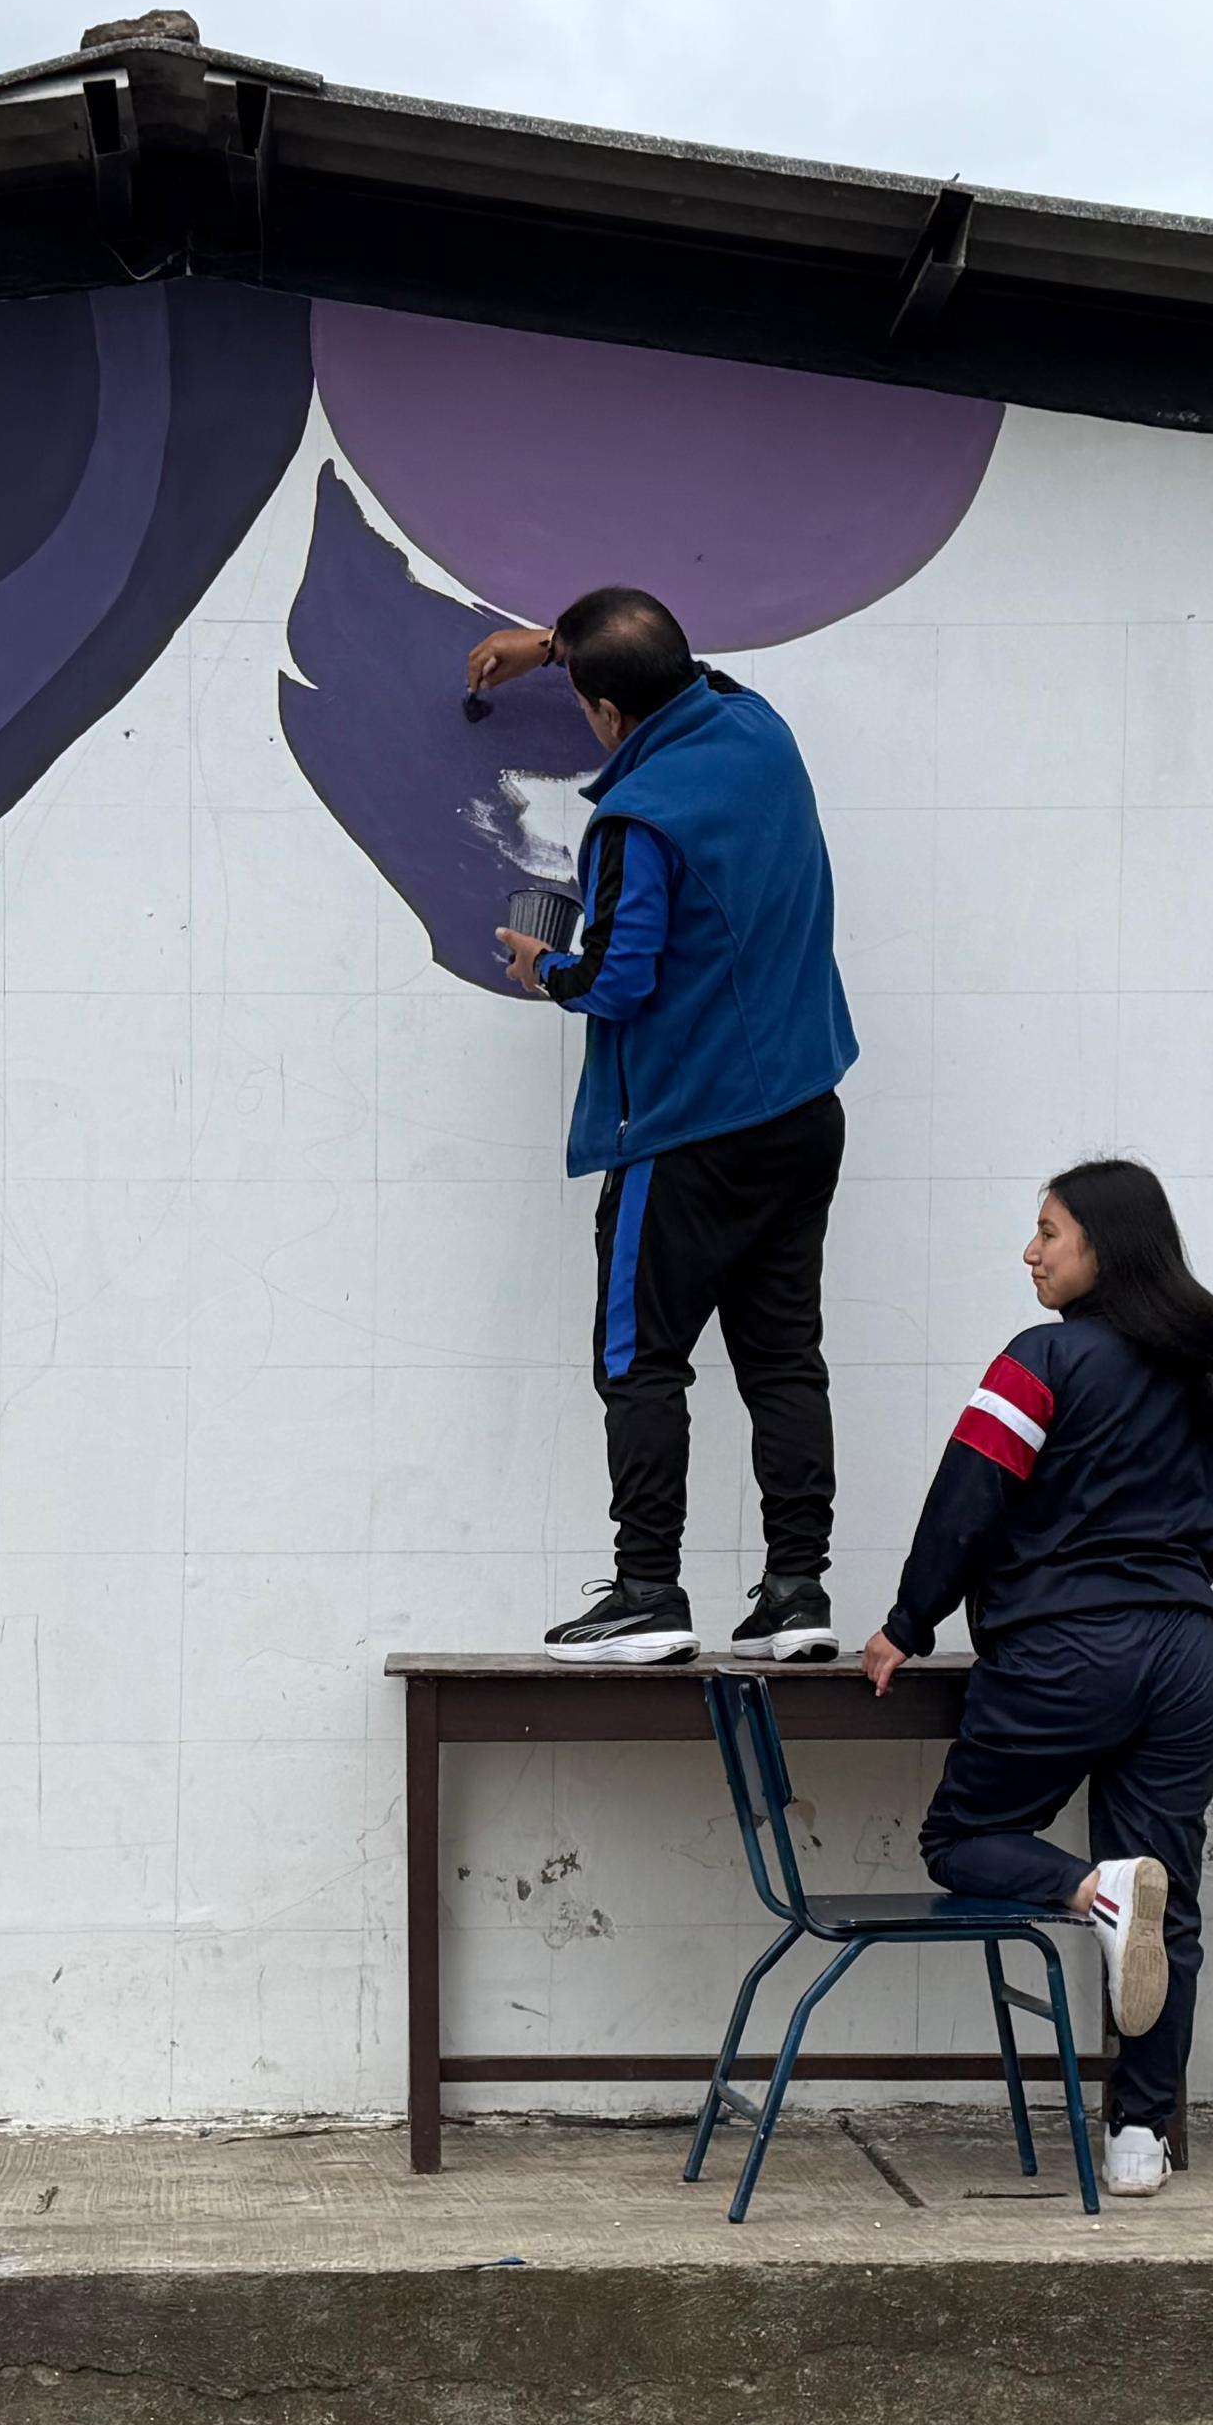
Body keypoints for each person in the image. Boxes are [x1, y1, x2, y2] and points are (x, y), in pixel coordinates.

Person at [858, 1160, 1213, 2200]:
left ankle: (1091, 1891)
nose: (1031, 1252)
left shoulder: (1038, 1361)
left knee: (959, 1839)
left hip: (1060, 1652)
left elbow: (968, 1497)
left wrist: (907, 1622)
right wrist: (1167, 1572)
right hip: (1183, 1658)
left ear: (1103, 1245)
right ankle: (1140, 2138)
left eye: (1049, 1232)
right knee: (1169, 1904)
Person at [466, 590, 857, 1667]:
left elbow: (617, 979)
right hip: (802, 1112)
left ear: (604, 711)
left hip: (686, 1131)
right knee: (783, 1360)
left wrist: (542, 966)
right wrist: (554, 647)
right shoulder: (760, 730)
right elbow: (671, 666)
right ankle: (797, 1594)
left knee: (639, 1363)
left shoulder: (635, 821)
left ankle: (647, 1593)